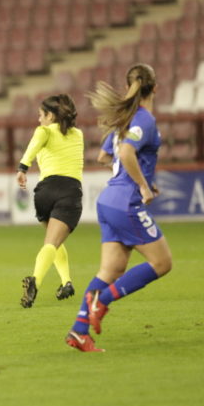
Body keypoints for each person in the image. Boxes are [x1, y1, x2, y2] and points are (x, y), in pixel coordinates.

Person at [67, 64, 172, 352]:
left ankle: (79, 331)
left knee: (110, 269)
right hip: (126, 202)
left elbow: (104, 156)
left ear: (129, 86)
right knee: (162, 263)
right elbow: (126, 153)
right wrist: (142, 185)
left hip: (108, 200)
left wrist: (141, 178)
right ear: (156, 88)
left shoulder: (124, 120)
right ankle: (101, 301)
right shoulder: (144, 119)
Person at [16, 94, 84, 308]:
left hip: (45, 192)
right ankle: (35, 281)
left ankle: (66, 282)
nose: (39, 120)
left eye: (41, 115)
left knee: (53, 241)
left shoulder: (44, 131)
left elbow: (33, 146)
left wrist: (22, 168)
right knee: (52, 243)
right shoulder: (78, 134)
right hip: (69, 191)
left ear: (50, 116)